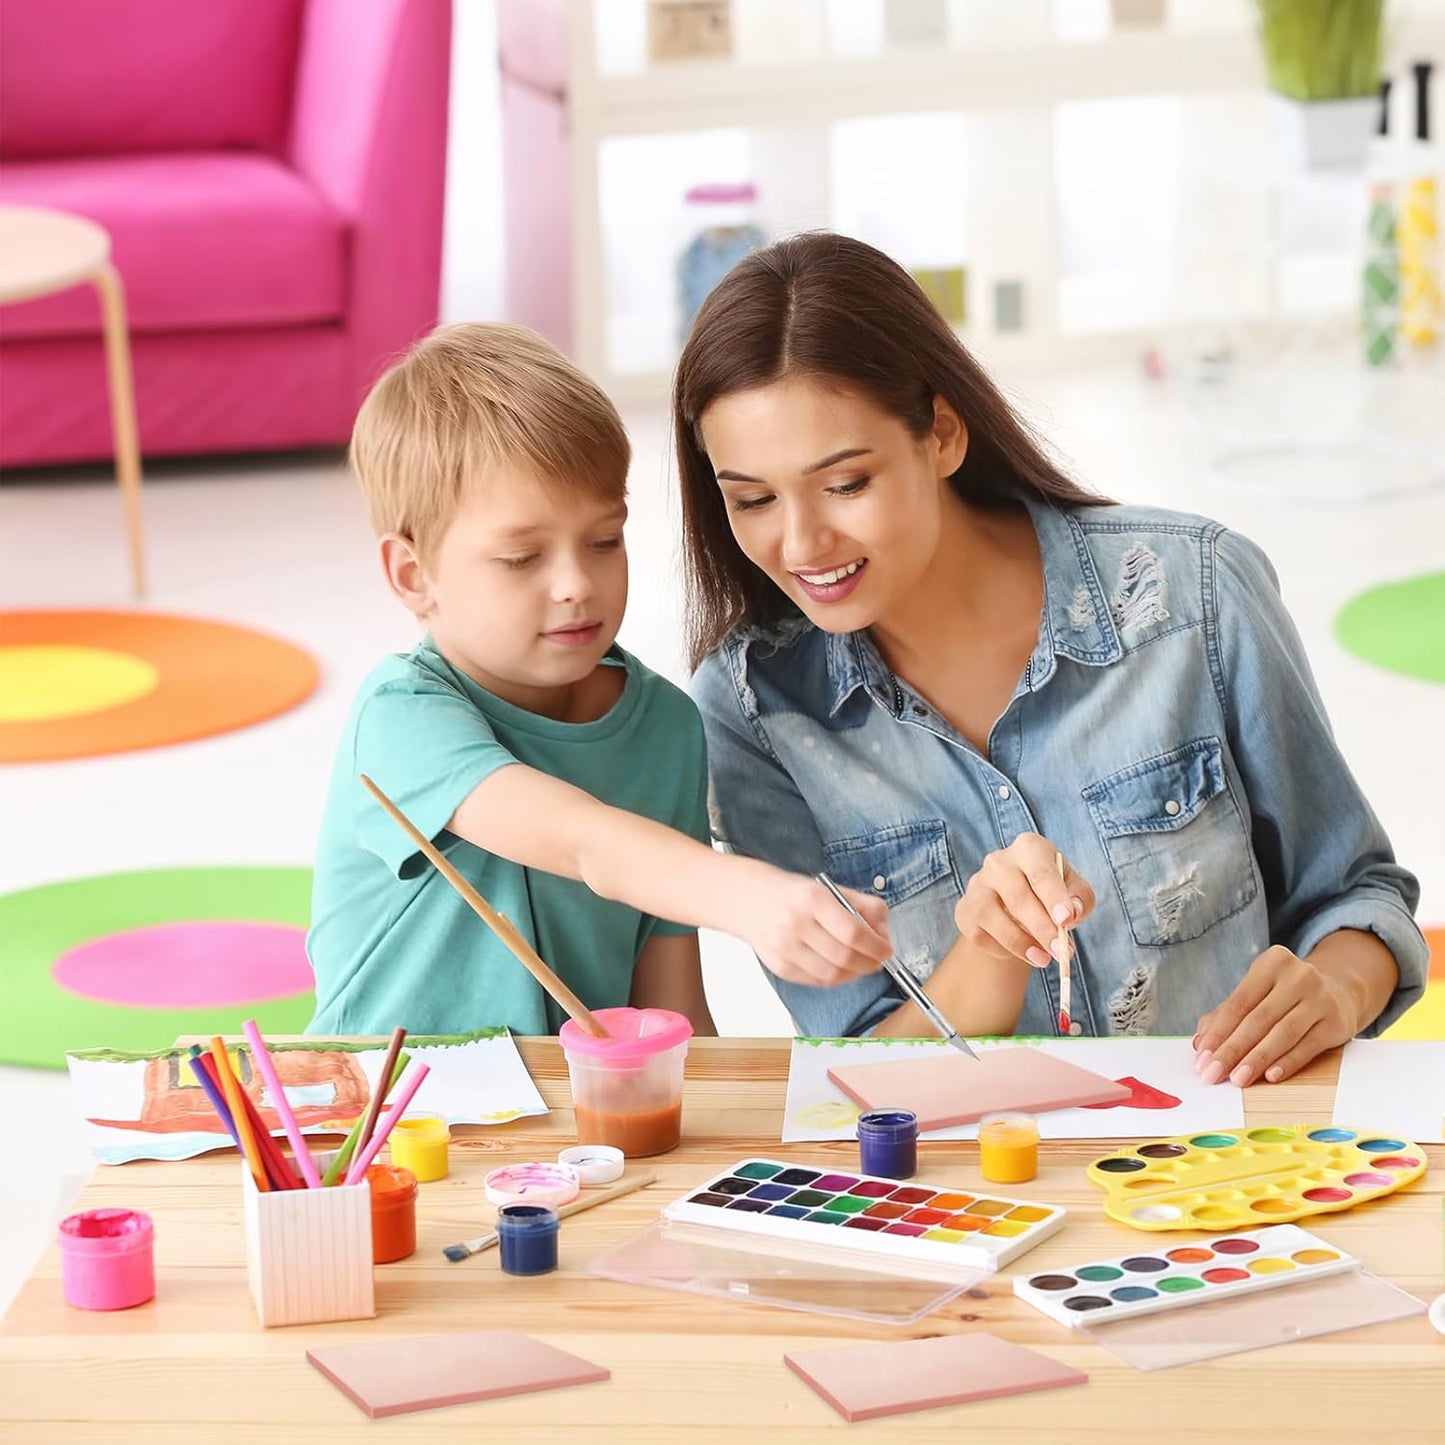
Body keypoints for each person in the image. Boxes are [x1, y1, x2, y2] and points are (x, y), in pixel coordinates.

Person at [677, 232, 1426, 1084]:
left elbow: (1356, 891)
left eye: (846, 483)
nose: (802, 541)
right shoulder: (752, 714)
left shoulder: (1194, 594)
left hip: (1229, 1171)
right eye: (752, 499)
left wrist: (1333, 988)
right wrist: (990, 951)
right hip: (979, 1195)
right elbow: (866, 1081)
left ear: (942, 435)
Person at [307, 322, 891, 1037]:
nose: (575, 584)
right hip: (387, 1119)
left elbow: (671, 1013)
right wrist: (751, 896)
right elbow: (583, 840)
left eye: (603, 540)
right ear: (412, 574)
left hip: (575, 1135)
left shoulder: (665, 728)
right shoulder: (399, 719)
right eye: (522, 558)